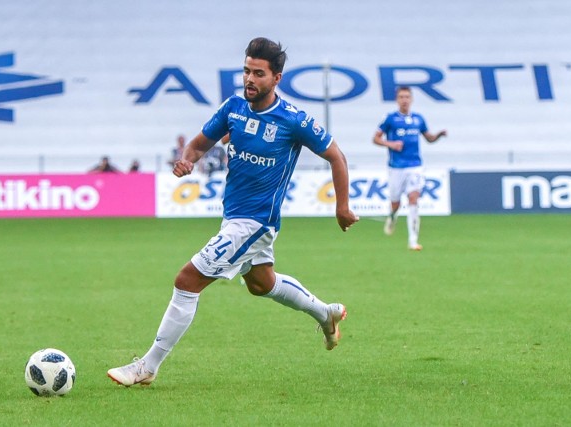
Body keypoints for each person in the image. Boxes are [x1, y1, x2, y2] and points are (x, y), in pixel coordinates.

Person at [107, 37, 359, 387]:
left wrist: (341, 206)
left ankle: (147, 366)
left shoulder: (293, 120)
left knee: (187, 281)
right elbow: (197, 144)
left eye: (258, 73)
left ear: (276, 79)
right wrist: (187, 161)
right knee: (261, 283)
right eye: (246, 71)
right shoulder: (233, 109)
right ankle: (325, 314)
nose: (249, 79)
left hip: (255, 223)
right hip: (234, 218)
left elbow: (337, 156)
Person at [372, 86, 447, 251]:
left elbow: (429, 138)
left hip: (415, 166)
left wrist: (439, 135)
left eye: (407, 97)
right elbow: (375, 138)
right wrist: (390, 144)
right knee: (395, 203)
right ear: (397, 100)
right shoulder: (390, 119)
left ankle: (413, 240)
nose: (404, 100)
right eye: (401, 97)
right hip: (396, 167)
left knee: (413, 199)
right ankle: (392, 217)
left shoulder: (418, 119)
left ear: (411, 99)